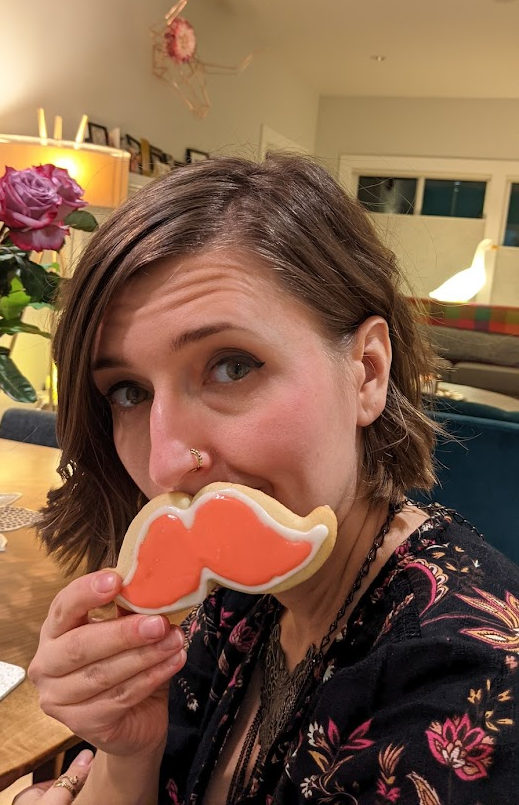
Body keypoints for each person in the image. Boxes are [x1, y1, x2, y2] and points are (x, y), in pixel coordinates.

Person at [15, 154, 518, 805]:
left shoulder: (467, 693)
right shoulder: (237, 590)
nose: (166, 462)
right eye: (130, 390)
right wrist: (125, 750)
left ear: (366, 371)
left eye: (231, 366)